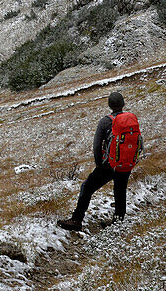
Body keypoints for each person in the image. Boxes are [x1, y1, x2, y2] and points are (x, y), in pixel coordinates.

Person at [57, 91, 142, 232]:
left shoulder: (105, 121)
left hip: (109, 164)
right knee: (120, 190)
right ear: (123, 104)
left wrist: (99, 164)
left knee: (87, 187)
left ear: (109, 105)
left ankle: (76, 220)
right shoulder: (130, 119)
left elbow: (97, 145)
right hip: (126, 162)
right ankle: (118, 221)